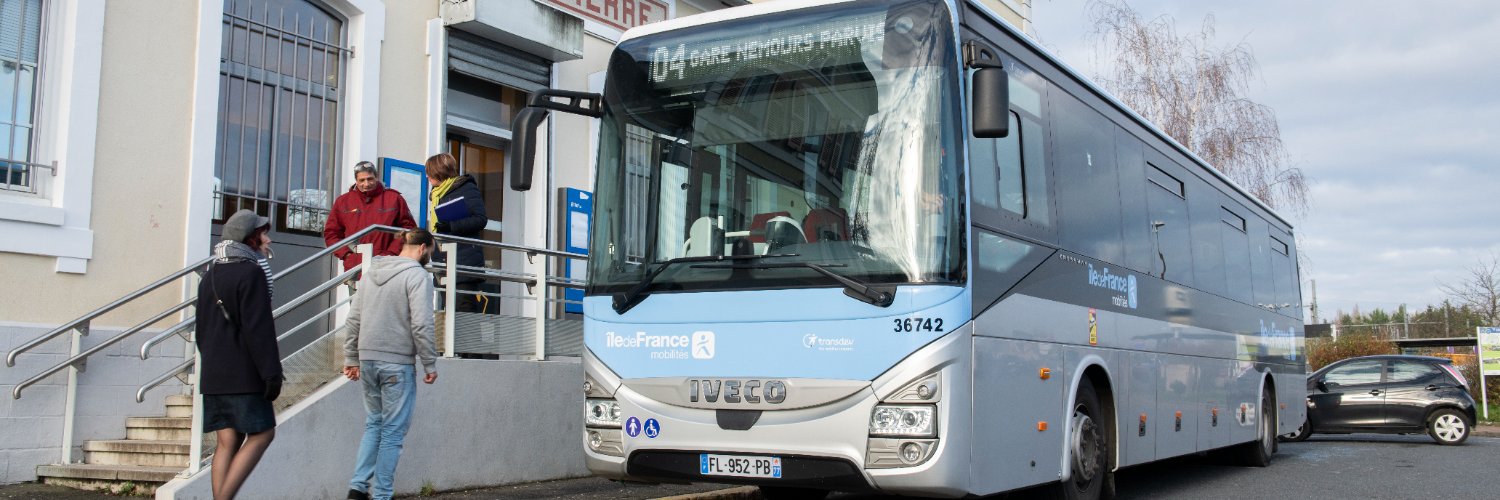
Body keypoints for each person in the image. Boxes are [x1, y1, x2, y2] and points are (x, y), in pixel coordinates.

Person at [342, 229, 439, 500]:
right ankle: (382, 495)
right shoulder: (418, 276)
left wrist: (351, 357)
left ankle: (357, 489)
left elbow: (353, 318)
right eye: (431, 252)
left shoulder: (372, 271)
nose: (430, 257)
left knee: (374, 424)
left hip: (368, 359)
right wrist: (429, 363)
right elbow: (421, 324)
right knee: (393, 433)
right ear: (422, 248)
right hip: (396, 362)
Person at [197, 209, 283, 500]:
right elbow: (258, 328)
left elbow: (201, 330)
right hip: (243, 374)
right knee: (263, 433)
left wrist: (212, 363)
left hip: (214, 374)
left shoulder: (210, 274)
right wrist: (271, 373)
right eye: (263, 234)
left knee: (227, 441)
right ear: (250, 239)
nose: (268, 240)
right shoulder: (251, 272)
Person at [324, 161, 417, 274]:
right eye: (362, 180)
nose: (366, 184)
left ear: (376, 177)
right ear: (356, 180)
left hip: (387, 266)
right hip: (355, 268)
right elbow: (331, 233)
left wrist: (391, 253)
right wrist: (347, 254)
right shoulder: (343, 202)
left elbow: (408, 229)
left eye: (370, 179)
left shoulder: (394, 198)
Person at [424, 153, 488, 312]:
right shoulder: (437, 193)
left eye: (429, 173)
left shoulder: (466, 188)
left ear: (438, 172)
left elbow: (480, 219)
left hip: (463, 262)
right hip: (443, 261)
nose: (427, 176)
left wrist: (450, 226)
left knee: (463, 314)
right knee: (448, 315)